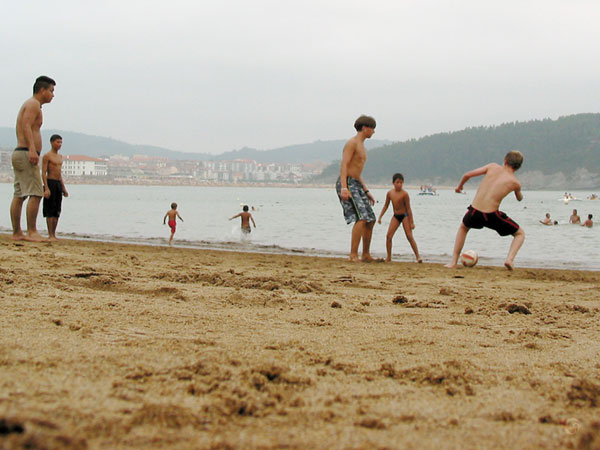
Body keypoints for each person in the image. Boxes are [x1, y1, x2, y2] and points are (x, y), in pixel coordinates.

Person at [445, 151, 525, 271]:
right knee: (520, 234)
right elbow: (519, 199)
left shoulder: (492, 167)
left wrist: (459, 187)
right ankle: (509, 259)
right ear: (518, 167)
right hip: (491, 215)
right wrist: (518, 191)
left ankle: (453, 262)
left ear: (505, 161)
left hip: (474, 211)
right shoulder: (515, 183)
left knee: (463, 228)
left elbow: (467, 175)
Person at [10, 75, 56, 241]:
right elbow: (26, 125)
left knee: (20, 194)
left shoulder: (32, 105)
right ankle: (32, 231)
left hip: (21, 152)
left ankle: (17, 232)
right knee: (36, 193)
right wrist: (31, 149)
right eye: (51, 91)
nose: (53, 95)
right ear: (42, 90)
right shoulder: (33, 104)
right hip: (25, 152)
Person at [336, 115, 378, 262]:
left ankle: (366, 254)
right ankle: (353, 254)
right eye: (372, 128)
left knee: (371, 219)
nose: (373, 132)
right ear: (365, 128)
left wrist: (366, 191)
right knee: (361, 217)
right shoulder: (352, 143)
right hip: (347, 182)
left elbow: (357, 171)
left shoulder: (362, 146)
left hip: (357, 183)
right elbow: (344, 165)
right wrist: (344, 187)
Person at [377, 173, 422, 263]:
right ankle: (389, 257)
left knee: (409, 236)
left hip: (404, 216)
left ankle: (418, 256)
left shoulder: (404, 194)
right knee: (388, 236)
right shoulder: (390, 193)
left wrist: (412, 222)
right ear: (393, 183)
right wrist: (380, 216)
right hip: (396, 216)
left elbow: (409, 209)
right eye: (397, 182)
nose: (399, 184)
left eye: (401, 183)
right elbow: (386, 205)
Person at [42, 134, 68, 241]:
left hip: (57, 183)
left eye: (61, 142)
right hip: (50, 182)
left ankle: (54, 234)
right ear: (52, 142)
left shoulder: (60, 157)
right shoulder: (47, 156)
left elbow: (59, 174)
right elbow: (43, 172)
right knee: (50, 209)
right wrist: (46, 188)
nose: (59, 144)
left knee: (57, 209)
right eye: (57, 142)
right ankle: (50, 234)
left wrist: (64, 188)